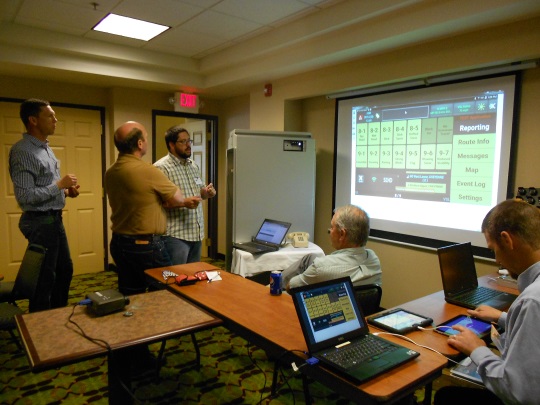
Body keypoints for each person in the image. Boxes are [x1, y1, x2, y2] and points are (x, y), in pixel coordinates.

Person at [434, 199, 540, 405]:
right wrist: (502, 317)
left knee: (446, 397)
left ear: (507, 240)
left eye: (493, 250)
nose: (496, 260)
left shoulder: (531, 301)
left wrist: (477, 348)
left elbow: (519, 393)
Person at [9, 98, 80, 312]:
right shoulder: (23, 151)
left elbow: (46, 188)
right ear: (33, 120)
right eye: (50, 116)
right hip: (40, 222)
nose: (55, 120)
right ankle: (40, 330)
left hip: (53, 219)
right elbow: (25, 196)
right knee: (45, 279)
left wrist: (66, 192)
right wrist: (59, 184)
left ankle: (57, 318)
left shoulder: (46, 149)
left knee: (64, 270)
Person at [105, 121, 187, 296]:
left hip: (120, 243)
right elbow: (178, 198)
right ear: (140, 144)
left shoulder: (111, 171)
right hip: (145, 246)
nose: (147, 141)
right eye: (146, 137)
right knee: (167, 291)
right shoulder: (147, 171)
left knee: (131, 292)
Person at [283, 204, 381, 293]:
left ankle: (273, 283)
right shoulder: (373, 260)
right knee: (310, 258)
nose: (329, 231)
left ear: (342, 234)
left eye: (332, 227)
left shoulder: (321, 267)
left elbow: (291, 287)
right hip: (359, 311)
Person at [154, 126, 216, 264]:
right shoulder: (161, 168)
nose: (188, 145)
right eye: (183, 142)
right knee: (176, 279)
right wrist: (183, 203)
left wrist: (207, 193)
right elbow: (157, 203)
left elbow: (200, 192)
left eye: (189, 141)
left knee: (192, 280)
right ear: (171, 144)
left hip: (196, 233)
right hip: (175, 236)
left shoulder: (193, 165)